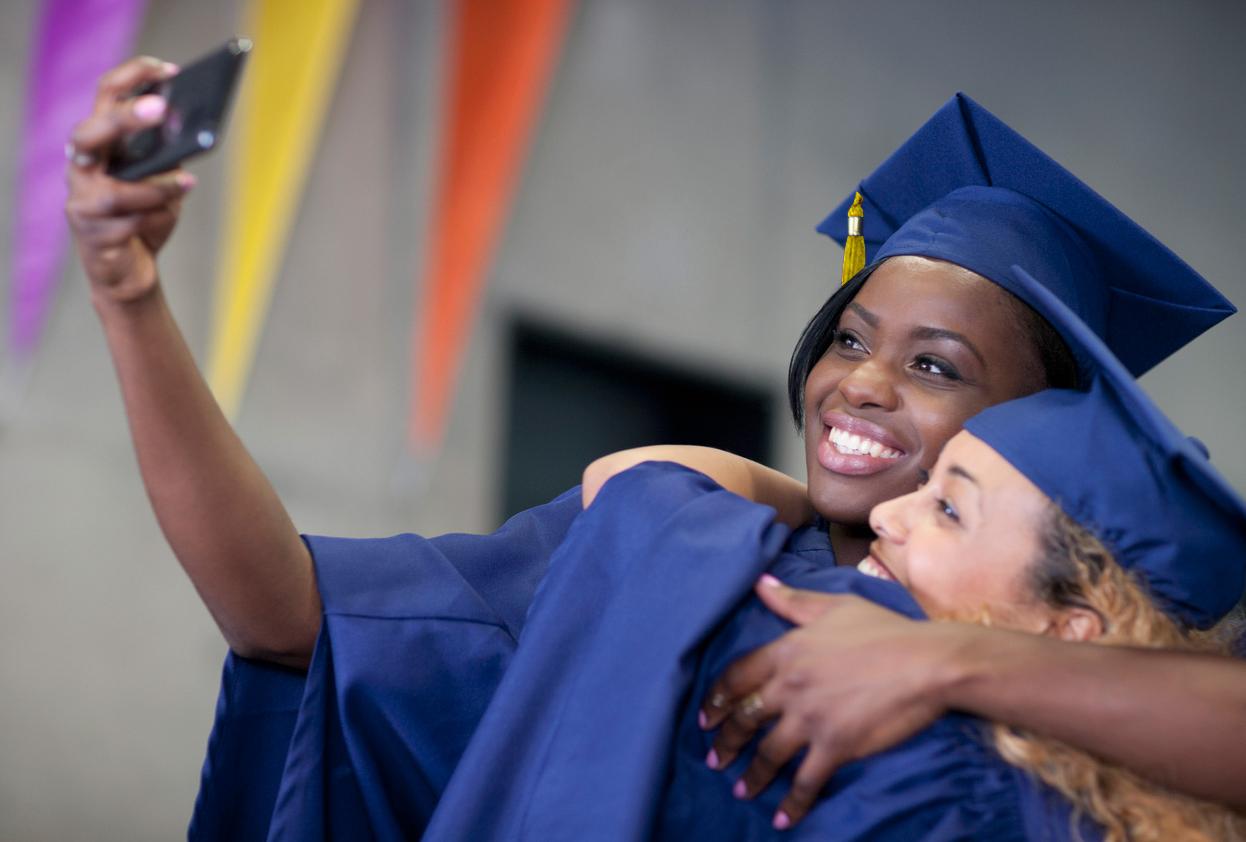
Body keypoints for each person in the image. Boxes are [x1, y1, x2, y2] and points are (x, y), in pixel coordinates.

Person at [63, 56, 1237, 837]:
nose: (862, 381)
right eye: (849, 334)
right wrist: (127, 296)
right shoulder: (672, 554)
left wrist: (939, 658)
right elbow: (290, 615)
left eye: (938, 366)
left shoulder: (1098, 758)